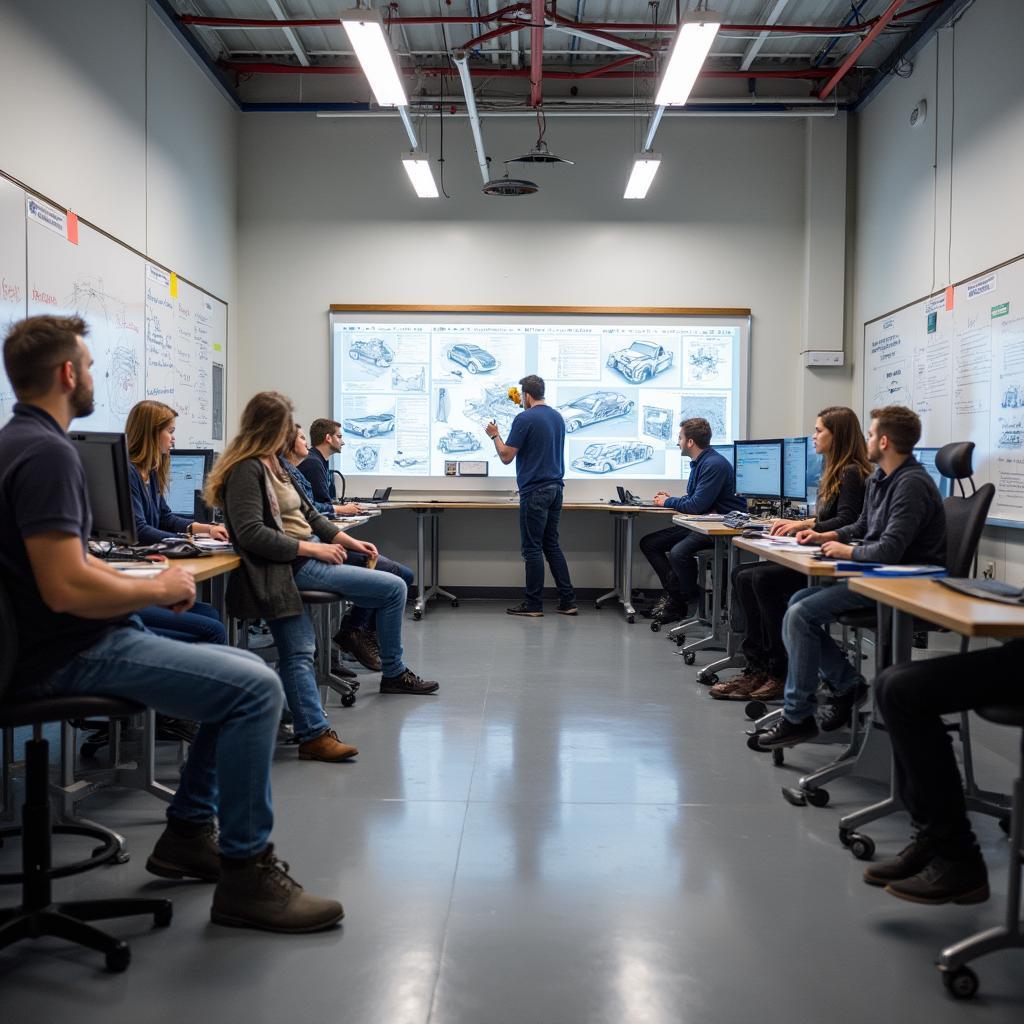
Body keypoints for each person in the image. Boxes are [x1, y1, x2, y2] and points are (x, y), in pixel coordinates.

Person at [0, 315, 343, 933]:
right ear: (68, 373)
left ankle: (186, 832)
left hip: (51, 639)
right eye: (91, 363)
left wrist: (141, 583)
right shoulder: (49, 454)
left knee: (238, 665)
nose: (95, 375)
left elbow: (67, 566)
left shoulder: (18, 444)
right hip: (64, 651)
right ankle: (246, 874)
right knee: (255, 687)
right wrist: (156, 584)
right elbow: (65, 584)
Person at [206, 391, 438, 758]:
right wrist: (312, 548)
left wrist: (350, 541)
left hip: (299, 562)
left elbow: (313, 517)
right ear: (271, 427)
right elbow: (251, 533)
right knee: (392, 588)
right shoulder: (247, 470)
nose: (290, 433)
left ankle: (314, 729)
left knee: (299, 649)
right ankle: (338, 714)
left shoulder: (278, 466)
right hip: (287, 568)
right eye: (286, 425)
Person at [753, 406, 947, 752]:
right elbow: (861, 528)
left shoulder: (911, 484)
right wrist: (826, 537)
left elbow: (888, 549)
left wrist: (845, 552)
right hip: (879, 577)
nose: (867, 440)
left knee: (800, 614)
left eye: (871, 435)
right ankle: (846, 684)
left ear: (884, 441)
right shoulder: (881, 479)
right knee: (797, 605)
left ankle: (798, 717)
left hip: (905, 585)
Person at [711, 407, 870, 702]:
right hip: (826, 552)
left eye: (819, 430)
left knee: (759, 579)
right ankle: (757, 666)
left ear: (838, 435)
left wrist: (812, 528)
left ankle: (777, 670)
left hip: (836, 562)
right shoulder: (836, 470)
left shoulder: (851, 472)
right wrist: (805, 523)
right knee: (742, 575)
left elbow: (847, 521)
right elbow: (838, 516)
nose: (814, 436)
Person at [281, 422, 415, 672]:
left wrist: (350, 540)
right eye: (300, 438)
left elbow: (311, 513)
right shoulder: (298, 467)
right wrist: (318, 543)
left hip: (313, 548)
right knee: (397, 578)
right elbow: (312, 511)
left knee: (397, 577)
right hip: (305, 557)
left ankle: (357, 636)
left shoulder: (294, 469)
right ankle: (355, 635)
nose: (306, 444)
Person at [125, 399, 229, 647]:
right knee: (212, 627)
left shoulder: (149, 472)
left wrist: (208, 529)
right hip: (138, 578)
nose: (173, 439)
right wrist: (186, 542)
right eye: (169, 432)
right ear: (151, 433)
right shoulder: (128, 472)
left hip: (150, 570)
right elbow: (139, 530)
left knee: (212, 614)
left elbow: (166, 518)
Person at [639, 417, 746, 625]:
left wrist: (668, 501)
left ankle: (685, 599)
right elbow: (694, 499)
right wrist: (671, 499)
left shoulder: (713, 464)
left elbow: (696, 505)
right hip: (703, 522)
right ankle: (677, 597)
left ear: (690, 442)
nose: (677, 442)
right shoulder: (700, 462)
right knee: (649, 543)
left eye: (680, 438)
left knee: (679, 553)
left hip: (719, 528)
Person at [485, 374, 576, 617]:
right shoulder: (556, 417)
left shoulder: (524, 418)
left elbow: (506, 456)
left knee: (532, 548)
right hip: (556, 490)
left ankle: (533, 604)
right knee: (552, 546)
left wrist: (495, 434)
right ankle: (568, 601)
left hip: (535, 491)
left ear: (526, 395)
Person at [297, 417, 361, 511]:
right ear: (328, 438)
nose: (342, 442)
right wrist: (343, 509)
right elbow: (321, 503)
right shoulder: (313, 463)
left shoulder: (319, 460)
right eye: (339, 437)